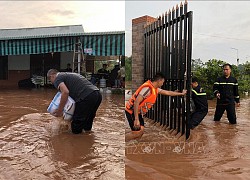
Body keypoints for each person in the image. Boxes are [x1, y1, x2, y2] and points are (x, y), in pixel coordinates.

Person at [125, 73, 187, 140]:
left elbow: (167, 93)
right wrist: (136, 119)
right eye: (162, 82)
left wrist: (181, 93)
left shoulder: (155, 89)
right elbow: (136, 102)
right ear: (159, 81)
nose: (162, 84)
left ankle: (133, 145)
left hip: (138, 112)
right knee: (137, 133)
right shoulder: (147, 89)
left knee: (141, 131)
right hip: (131, 111)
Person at [47, 69, 102, 134]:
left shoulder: (57, 78)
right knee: (87, 122)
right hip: (97, 95)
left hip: (86, 97)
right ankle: (88, 140)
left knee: (76, 126)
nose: (52, 83)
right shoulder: (67, 75)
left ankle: (76, 141)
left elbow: (65, 92)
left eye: (50, 81)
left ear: (52, 76)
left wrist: (59, 111)